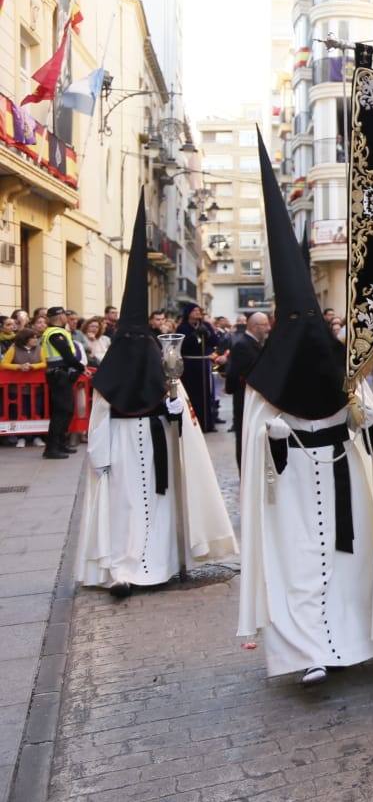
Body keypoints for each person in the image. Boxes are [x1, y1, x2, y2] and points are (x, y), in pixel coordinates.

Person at [237, 133, 373, 685]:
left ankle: (352, 645)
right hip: (294, 482)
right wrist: (271, 438)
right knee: (300, 565)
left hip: (343, 472)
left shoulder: (338, 357)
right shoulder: (265, 377)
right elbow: (252, 445)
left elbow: (366, 416)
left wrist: (367, 421)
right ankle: (307, 654)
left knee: (349, 564)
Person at [75, 198, 237, 597]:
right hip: (122, 448)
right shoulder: (112, 375)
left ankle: (159, 566)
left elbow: (181, 413)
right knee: (126, 510)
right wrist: (101, 458)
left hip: (155, 442)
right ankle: (123, 571)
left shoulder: (165, 371)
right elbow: (99, 417)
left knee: (158, 508)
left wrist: (174, 408)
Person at [225, 311, 269, 467]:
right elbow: (235, 374)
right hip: (244, 399)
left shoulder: (256, 343)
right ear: (255, 326)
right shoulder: (243, 345)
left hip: (253, 399)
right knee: (244, 437)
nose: (268, 328)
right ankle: (244, 471)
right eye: (265, 325)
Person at [39, 308, 82, 458]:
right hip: (59, 375)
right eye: (65, 315)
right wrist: (81, 368)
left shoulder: (56, 332)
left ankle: (61, 444)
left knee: (66, 411)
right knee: (61, 412)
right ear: (60, 316)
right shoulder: (55, 333)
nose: (67, 318)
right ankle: (52, 448)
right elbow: (67, 355)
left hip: (60, 374)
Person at [176, 304, 220, 431]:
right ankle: (194, 425)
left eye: (198, 310)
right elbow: (182, 345)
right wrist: (195, 335)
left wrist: (208, 334)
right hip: (190, 365)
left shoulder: (205, 326)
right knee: (192, 394)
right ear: (188, 313)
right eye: (194, 310)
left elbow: (215, 342)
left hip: (203, 364)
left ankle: (207, 424)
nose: (197, 312)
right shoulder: (182, 328)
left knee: (206, 394)